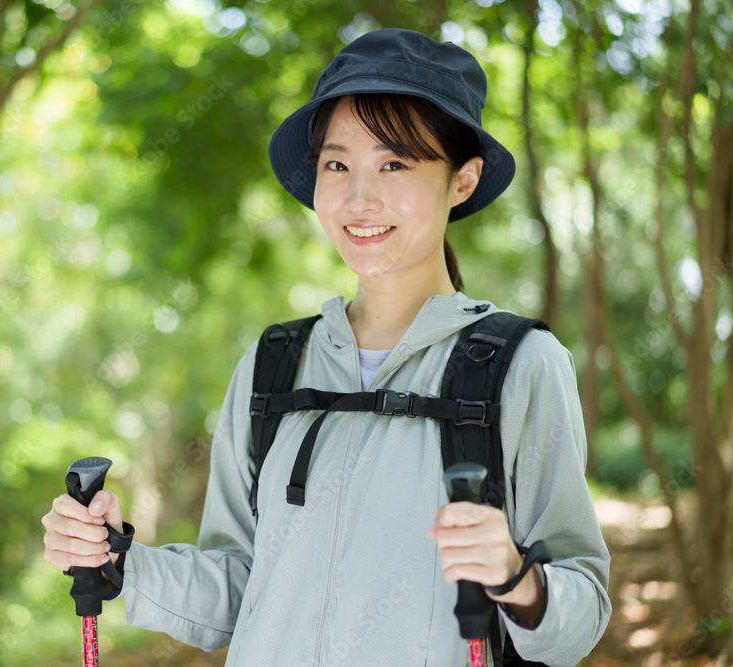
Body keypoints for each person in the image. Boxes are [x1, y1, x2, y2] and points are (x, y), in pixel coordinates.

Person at [42, 28, 611, 665]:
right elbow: (240, 589)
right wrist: (117, 559)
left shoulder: (520, 366)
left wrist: (515, 577)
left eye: (394, 163)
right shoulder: (273, 363)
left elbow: (579, 612)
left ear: (462, 180)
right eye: (337, 164)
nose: (358, 198)